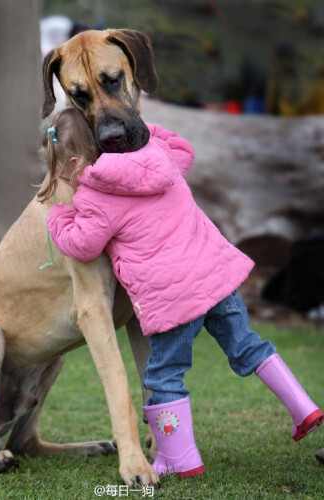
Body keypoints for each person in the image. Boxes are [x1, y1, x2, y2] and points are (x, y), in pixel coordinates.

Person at [43, 107, 323, 479]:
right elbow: (184, 148)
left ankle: (181, 457)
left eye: (57, 169)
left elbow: (82, 245)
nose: (58, 177)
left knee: (164, 376)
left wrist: (58, 217)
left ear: (75, 162)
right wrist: (142, 131)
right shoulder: (158, 155)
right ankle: (302, 407)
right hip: (217, 279)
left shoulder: (95, 198)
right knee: (246, 345)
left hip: (174, 300)